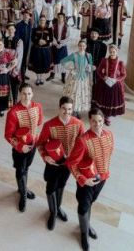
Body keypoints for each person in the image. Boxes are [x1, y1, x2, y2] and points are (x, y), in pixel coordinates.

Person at [66, 108, 114, 251]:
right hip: (86, 182)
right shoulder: (83, 140)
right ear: (90, 121)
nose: (97, 124)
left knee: (90, 203)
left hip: (102, 178)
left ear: (103, 120)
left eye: (99, 121)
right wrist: (82, 179)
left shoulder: (110, 135)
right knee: (83, 208)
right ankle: (84, 233)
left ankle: (86, 224)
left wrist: (104, 173)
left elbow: (109, 153)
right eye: (94, 121)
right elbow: (71, 163)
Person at [36, 96, 85, 230]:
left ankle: (58, 207)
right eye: (64, 109)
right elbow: (40, 143)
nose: (67, 112)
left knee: (61, 185)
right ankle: (53, 212)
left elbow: (82, 145)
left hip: (68, 164)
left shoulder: (79, 125)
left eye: (70, 109)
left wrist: (76, 160)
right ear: (59, 108)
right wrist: (45, 157)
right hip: (52, 164)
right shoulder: (49, 125)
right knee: (50, 188)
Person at [4, 83, 43, 212]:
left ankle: (23, 188)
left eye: (29, 93)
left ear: (33, 94)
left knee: (26, 168)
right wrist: (20, 146)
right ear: (20, 94)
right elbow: (8, 135)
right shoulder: (13, 112)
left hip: (33, 145)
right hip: (20, 148)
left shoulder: (38, 107)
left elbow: (39, 122)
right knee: (20, 170)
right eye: (24, 94)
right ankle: (23, 195)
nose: (27, 96)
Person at [92, 44, 126, 126]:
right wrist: (104, 77)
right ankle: (101, 115)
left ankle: (107, 117)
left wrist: (116, 80)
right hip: (104, 84)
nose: (112, 53)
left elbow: (123, 74)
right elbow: (98, 71)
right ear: (108, 52)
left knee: (111, 102)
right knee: (102, 100)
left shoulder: (120, 63)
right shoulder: (104, 60)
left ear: (116, 52)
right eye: (110, 51)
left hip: (115, 85)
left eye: (113, 51)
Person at [60, 40, 94, 118]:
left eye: (83, 46)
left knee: (82, 95)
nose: (82, 47)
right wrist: (71, 66)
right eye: (80, 46)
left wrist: (89, 68)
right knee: (73, 94)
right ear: (78, 46)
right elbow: (63, 61)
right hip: (74, 78)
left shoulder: (89, 56)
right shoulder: (74, 55)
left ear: (86, 47)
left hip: (84, 78)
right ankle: (72, 110)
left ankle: (77, 110)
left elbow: (91, 66)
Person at [3, 23, 24, 104]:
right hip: (6, 65)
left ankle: (15, 101)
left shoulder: (19, 40)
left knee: (14, 84)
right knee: (6, 83)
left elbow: (19, 55)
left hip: (14, 66)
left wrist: (16, 68)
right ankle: (7, 100)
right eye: (9, 29)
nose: (11, 31)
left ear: (15, 30)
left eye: (12, 29)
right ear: (7, 30)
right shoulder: (5, 39)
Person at [29, 16, 53, 85]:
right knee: (37, 64)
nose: (42, 21)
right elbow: (33, 39)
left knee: (43, 64)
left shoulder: (49, 29)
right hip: (37, 49)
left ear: (45, 21)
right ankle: (37, 78)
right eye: (41, 20)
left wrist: (46, 42)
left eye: (43, 20)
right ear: (39, 21)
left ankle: (41, 78)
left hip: (45, 50)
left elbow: (51, 39)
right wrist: (38, 41)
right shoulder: (35, 29)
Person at [47, 13, 70, 83]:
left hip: (63, 46)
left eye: (61, 17)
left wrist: (61, 44)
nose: (60, 18)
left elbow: (68, 37)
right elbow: (52, 36)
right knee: (53, 60)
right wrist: (55, 43)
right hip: (55, 45)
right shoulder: (53, 26)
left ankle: (63, 76)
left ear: (64, 18)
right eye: (59, 17)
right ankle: (52, 74)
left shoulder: (67, 27)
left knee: (63, 62)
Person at [16, 10, 33, 81]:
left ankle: (23, 74)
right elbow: (16, 36)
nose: (26, 16)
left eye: (27, 15)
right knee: (21, 62)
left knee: (26, 61)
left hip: (28, 46)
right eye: (25, 15)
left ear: (29, 17)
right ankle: (22, 79)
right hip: (21, 47)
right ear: (23, 16)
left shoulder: (30, 24)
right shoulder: (18, 25)